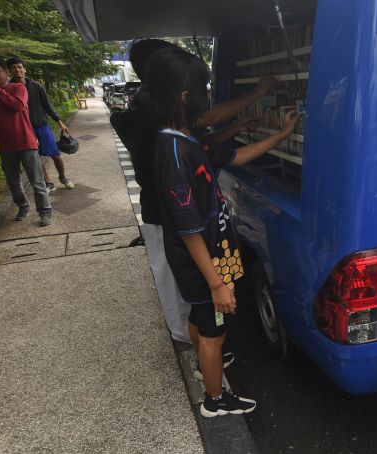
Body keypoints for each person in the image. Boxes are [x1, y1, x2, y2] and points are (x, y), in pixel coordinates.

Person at [145, 46, 299, 416]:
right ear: (185, 96)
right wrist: (216, 283)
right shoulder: (175, 154)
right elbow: (189, 230)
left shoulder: (186, 140)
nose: (208, 97)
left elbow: (233, 158)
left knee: (201, 319)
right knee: (215, 329)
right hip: (204, 262)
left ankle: (204, 365)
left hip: (213, 255)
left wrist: (282, 135)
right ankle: (215, 400)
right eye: (203, 90)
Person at [111, 39, 274, 345]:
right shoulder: (161, 118)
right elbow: (205, 123)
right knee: (183, 286)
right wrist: (255, 95)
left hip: (177, 215)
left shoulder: (167, 118)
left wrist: (237, 127)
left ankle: (200, 337)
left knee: (190, 287)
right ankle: (193, 344)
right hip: (168, 215)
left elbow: (203, 144)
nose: (203, 98)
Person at [0, 56, 52, 226]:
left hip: (26, 142)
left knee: (37, 181)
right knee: (13, 183)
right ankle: (23, 206)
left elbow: (17, 106)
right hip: (5, 145)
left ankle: (45, 212)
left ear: (5, 72)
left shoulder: (18, 88)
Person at [6, 57, 74, 192]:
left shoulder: (36, 86)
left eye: (19, 67)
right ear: (9, 71)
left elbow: (47, 105)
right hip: (25, 131)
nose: (17, 70)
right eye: (13, 67)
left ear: (24, 69)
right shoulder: (8, 89)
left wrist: (59, 122)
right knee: (35, 159)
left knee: (55, 154)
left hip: (42, 127)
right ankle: (48, 183)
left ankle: (63, 177)